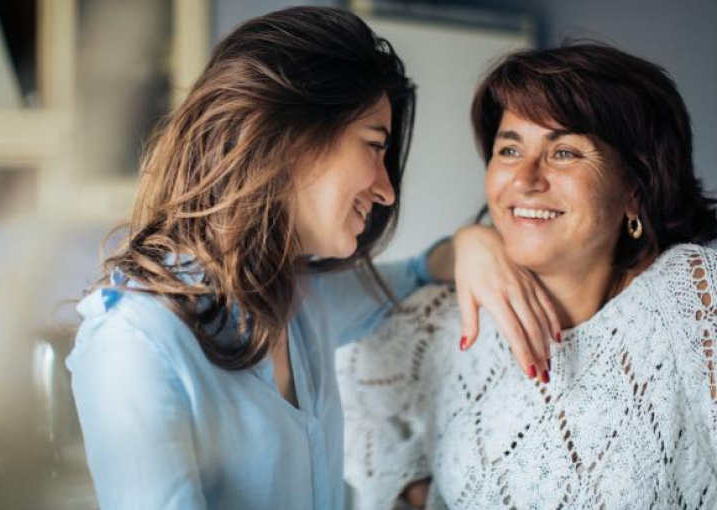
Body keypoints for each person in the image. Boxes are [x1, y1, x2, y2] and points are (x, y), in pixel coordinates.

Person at [66, 7, 558, 510]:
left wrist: (473, 243)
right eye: (373, 146)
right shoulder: (135, 342)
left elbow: (411, 276)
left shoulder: (298, 297)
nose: (387, 191)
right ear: (289, 138)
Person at [340, 43, 717, 509]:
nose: (525, 177)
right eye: (510, 148)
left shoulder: (691, 299)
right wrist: (415, 492)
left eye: (564, 152)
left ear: (634, 191)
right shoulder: (443, 322)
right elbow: (356, 397)